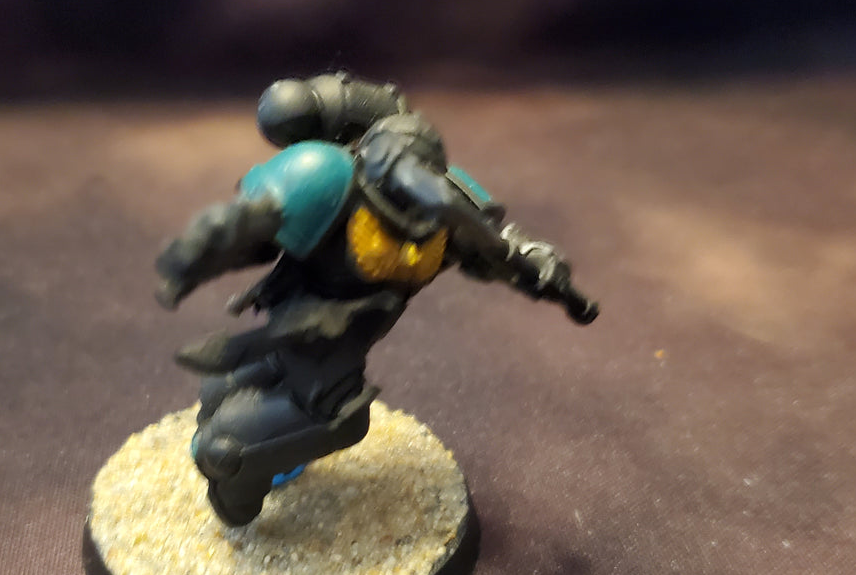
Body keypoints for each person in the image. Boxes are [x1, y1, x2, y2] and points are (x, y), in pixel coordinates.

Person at [155, 72, 598, 526]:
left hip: (334, 360)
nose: (405, 221)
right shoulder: (327, 180)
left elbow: (504, 247)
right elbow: (250, 225)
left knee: (231, 446)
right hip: (290, 327)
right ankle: (258, 470)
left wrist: (543, 266)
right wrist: (194, 259)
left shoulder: (444, 218)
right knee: (220, 402)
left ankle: (247, 478)